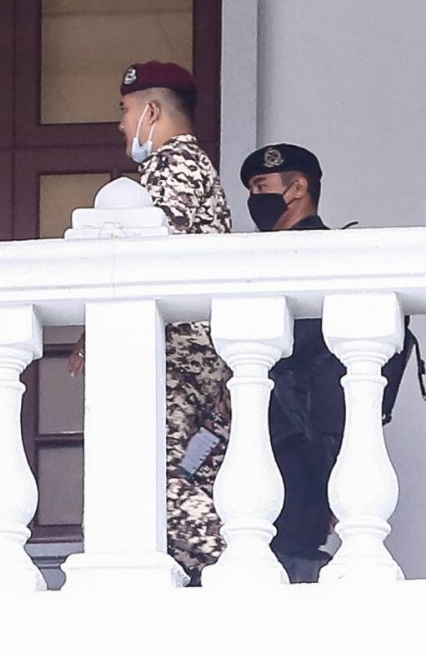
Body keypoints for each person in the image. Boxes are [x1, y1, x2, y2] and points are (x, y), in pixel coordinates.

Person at [68, 61, 233, 585]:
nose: (121, 125)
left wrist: (97, 336)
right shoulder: (190, 164)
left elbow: (146, 264)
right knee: (189, 476)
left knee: (150, 480)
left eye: (126, 110)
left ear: (152, 110)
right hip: (200, 355)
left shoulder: (174, 165)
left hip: (179, 354)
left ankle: (237, 571)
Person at [241, 143, 418, 582]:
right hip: (268, 434)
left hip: (304, 440)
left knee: (290, 554)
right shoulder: (259, 257)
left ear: (297, 187)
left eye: (262, 186)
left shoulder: (330, 256)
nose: (254, 199)